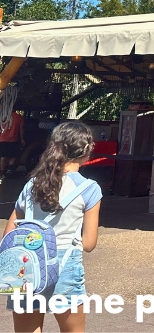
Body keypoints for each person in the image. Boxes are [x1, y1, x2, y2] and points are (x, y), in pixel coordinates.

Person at [3, 121, 102, 332]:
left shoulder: (32, 184)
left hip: (26, 264)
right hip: (64, 264)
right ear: (87, 150)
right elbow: (89, 244)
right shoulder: (89, 189)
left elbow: (11, 229)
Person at [0, 111, 24, 178]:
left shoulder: (3, 116)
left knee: (3, 156)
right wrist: (22, 139)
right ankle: (9, 171)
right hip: (14, 140)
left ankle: (2, 172)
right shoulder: (19, 117)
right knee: (13, 156)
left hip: (2, 139)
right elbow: (21, 129)